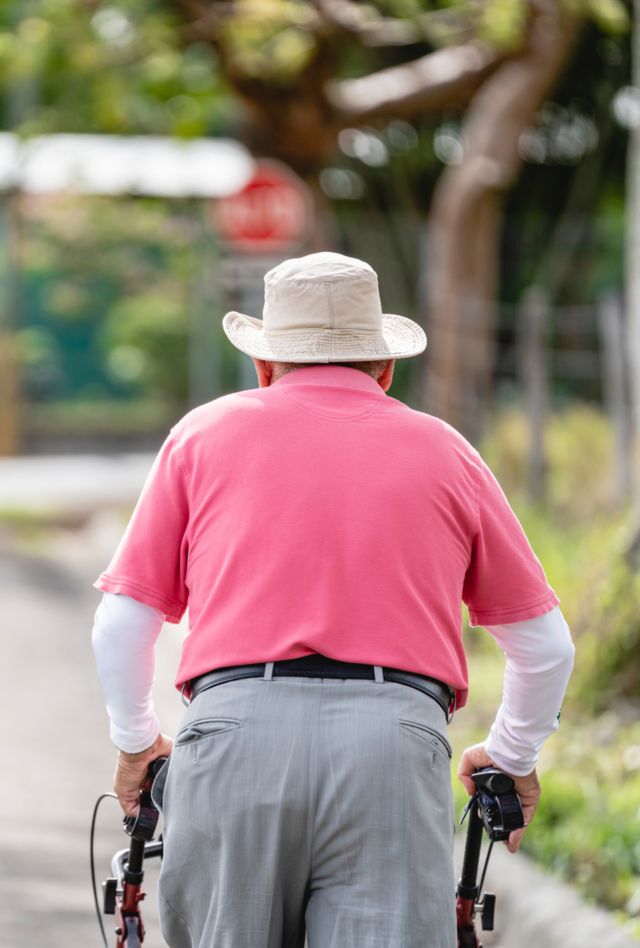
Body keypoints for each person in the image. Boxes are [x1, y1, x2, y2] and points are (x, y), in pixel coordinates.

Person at [92, 251, 575, 948]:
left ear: (263, 365)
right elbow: (547, 647)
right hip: (393, 747)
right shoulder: (447, 452)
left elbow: (120, 625)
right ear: (385, 369)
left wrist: (138, 742)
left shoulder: (201, 436)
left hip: (233, 739)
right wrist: (512, 753)